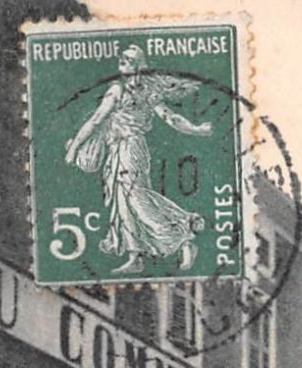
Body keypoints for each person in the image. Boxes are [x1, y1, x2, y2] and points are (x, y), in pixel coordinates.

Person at [64, 46, 214, 274]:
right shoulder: (119, 90)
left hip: (131, 148)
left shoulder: (135, 92)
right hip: (117, 149)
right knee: (123, 201)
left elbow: (169, 118)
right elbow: (97, 120)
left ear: (139, 65)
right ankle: (135, 256)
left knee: (136, 198)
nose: (122, 61)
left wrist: (196, 130)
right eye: (122, 58)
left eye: (129, 59)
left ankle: (182, 234)